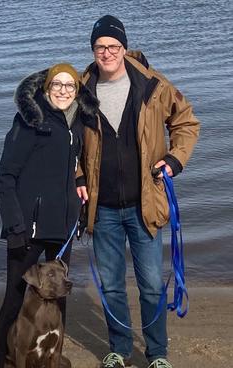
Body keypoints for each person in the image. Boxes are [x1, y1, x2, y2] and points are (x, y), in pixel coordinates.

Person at [76, 15, 200, 368]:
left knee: (150, 287)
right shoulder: (81, 88)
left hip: (145, 205)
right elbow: (65, 140)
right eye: (100, 47)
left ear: (124, 48)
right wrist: (76, 177)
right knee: (113, 287)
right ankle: (119, 349)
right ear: (93, 50)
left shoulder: (153, 85)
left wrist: (175, 161)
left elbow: (186, 122)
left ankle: (157, 354)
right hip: (103, 210)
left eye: (113, 46)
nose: (107, 53)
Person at [0, 63, 98, 368]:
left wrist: (79, 185)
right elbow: (6, 176)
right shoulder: (30, 121)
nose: (63, 91)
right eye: (57, 85)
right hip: (28, 228)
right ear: (46, 88)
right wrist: (15, 227)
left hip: (62, 227)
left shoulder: (77, 122)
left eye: (70, 86)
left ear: (78, 91)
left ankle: (50, 358)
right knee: (14, 300)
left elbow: (71, 164)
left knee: (58, 297)